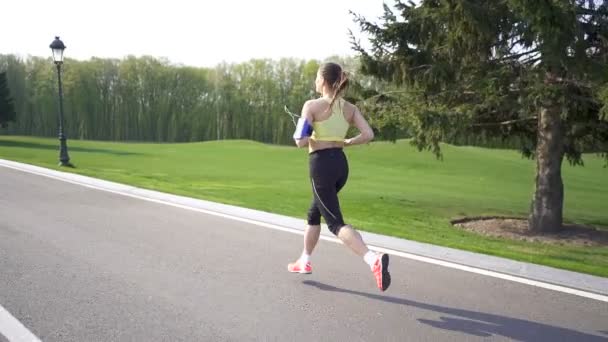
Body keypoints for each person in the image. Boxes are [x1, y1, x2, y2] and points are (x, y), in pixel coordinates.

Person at [288, 62, 391, 292]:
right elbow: (368, 134)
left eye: (316, 77)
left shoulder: (311, 106)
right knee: (314, 213)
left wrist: (304, 129)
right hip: (340, 166)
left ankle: (372, 259)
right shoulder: (350, 108)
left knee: (335, 223)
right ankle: (304, 260)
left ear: (323, 81)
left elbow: (300, 142)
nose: (315, 81)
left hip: (321, 166)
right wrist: (345, 142)